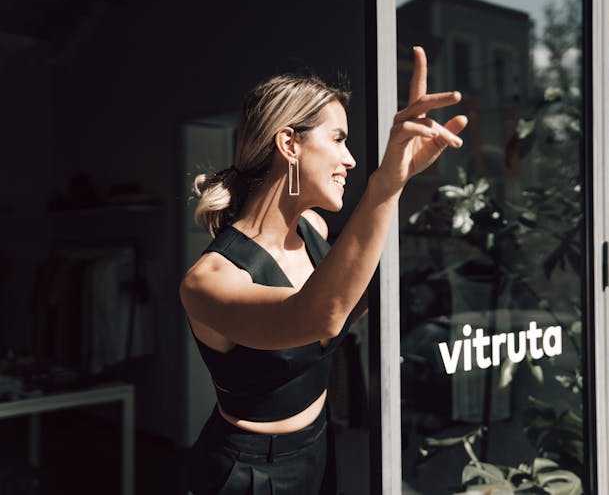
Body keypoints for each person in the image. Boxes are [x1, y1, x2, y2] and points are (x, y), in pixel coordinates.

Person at [179, 46, 467, 495]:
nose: (350, 159)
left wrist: (404, 184)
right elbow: (321, 317)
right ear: (289, 143)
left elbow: (353, 296)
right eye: (338, 139)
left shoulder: (314, 229)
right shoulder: (210, 280)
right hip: (248, 474)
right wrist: (385, 185)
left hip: (319, 448)